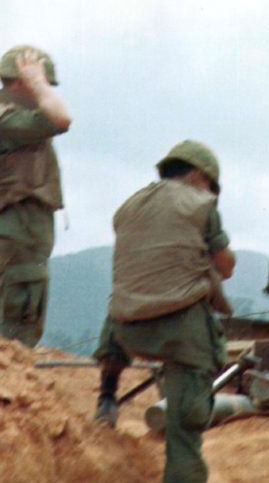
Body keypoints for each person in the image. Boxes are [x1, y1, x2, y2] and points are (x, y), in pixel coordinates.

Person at [93, 140, 235, 483]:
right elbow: (225, 265)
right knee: (186, 426)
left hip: (124, 329)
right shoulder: (202, 205)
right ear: (201, 176)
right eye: (212, 187)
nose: (212, 194)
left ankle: (107, 398)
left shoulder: (129, 206)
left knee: (123, 299)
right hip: (179, 331)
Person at [0, 46, 71, 345]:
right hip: (17, 233)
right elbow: (61, 119)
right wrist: (38, 81)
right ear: (21, 81)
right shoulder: (9, 120)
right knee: (17, 341)